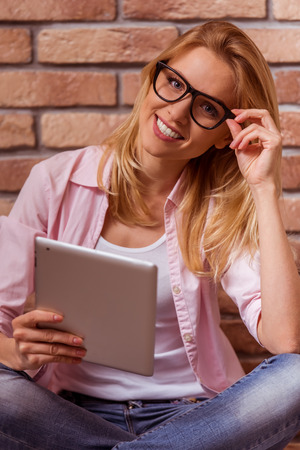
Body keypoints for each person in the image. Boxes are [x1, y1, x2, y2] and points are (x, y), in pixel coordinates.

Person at [0, 20, 299, 450]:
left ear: (224, 136)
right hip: (67, 415)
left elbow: (285, 339)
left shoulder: (219, 206)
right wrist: (17, 353)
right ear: (152, 77)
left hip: (195, 418)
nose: (176, 112)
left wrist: (265, 189)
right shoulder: (55, 181)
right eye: (174, 83)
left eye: (208, 108)